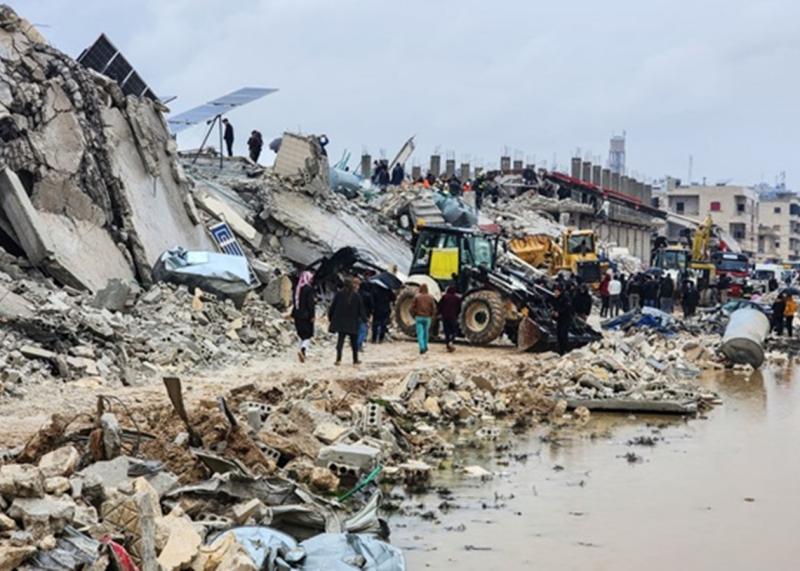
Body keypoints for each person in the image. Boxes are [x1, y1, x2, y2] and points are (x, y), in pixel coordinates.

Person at [328, 278, 365, 365]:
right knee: (354, 342)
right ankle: (355, 360)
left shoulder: (339, 294)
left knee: (340, 341)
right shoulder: (356, 296)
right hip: (353, 323)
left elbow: (332, 307)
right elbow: (361, 310)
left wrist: (330, 317)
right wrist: (365, 320)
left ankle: (338, 359)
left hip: (341, 323)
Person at [291, 271, 315, 362]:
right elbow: (310, 303)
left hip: (297, 314)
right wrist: (312, 315)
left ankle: (302, 353)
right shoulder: (308, 289)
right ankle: (303, 349)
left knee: (301, 334)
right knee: (308, 334)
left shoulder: (297, 288)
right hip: (306, 315)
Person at [410, 283, 436, 354]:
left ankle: (422, 347)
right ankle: (425, 346)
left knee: (420, 333)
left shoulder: (417, 297)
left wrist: (414, 315)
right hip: (427, 318)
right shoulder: (430, 297)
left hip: (418, 317)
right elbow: (434, 308)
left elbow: (411, 308)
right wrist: (432, 315)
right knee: (426, 333)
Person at [438, 285, 462, 352]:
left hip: (445, 317)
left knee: (446, 331)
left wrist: (440, 313)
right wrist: (457, 314)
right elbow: (459, 308)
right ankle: (451, 341)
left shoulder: (444, 297)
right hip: (453, 317)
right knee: (454, 330)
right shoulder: (457, 298)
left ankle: (447, 345)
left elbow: (440, 306)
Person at [552, 284, 573, 356]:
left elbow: (567, 308)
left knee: (563, 334)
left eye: (556, 291)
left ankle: (565, 350)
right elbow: (554, 306)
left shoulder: (565, 298)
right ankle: (560, 350)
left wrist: (559, 312)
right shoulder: (556, 298)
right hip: (559, 319)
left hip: (565, 319)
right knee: (559, 335)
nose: (555, 293)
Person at [354, 277, 373, 351]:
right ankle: (359, 345)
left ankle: (355, 344)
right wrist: (370, 313)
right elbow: (371, 305)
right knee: (363, 331)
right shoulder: (368, 295)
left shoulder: (356, 294)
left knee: (357, 330)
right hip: (365, 315)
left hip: (356, 314)